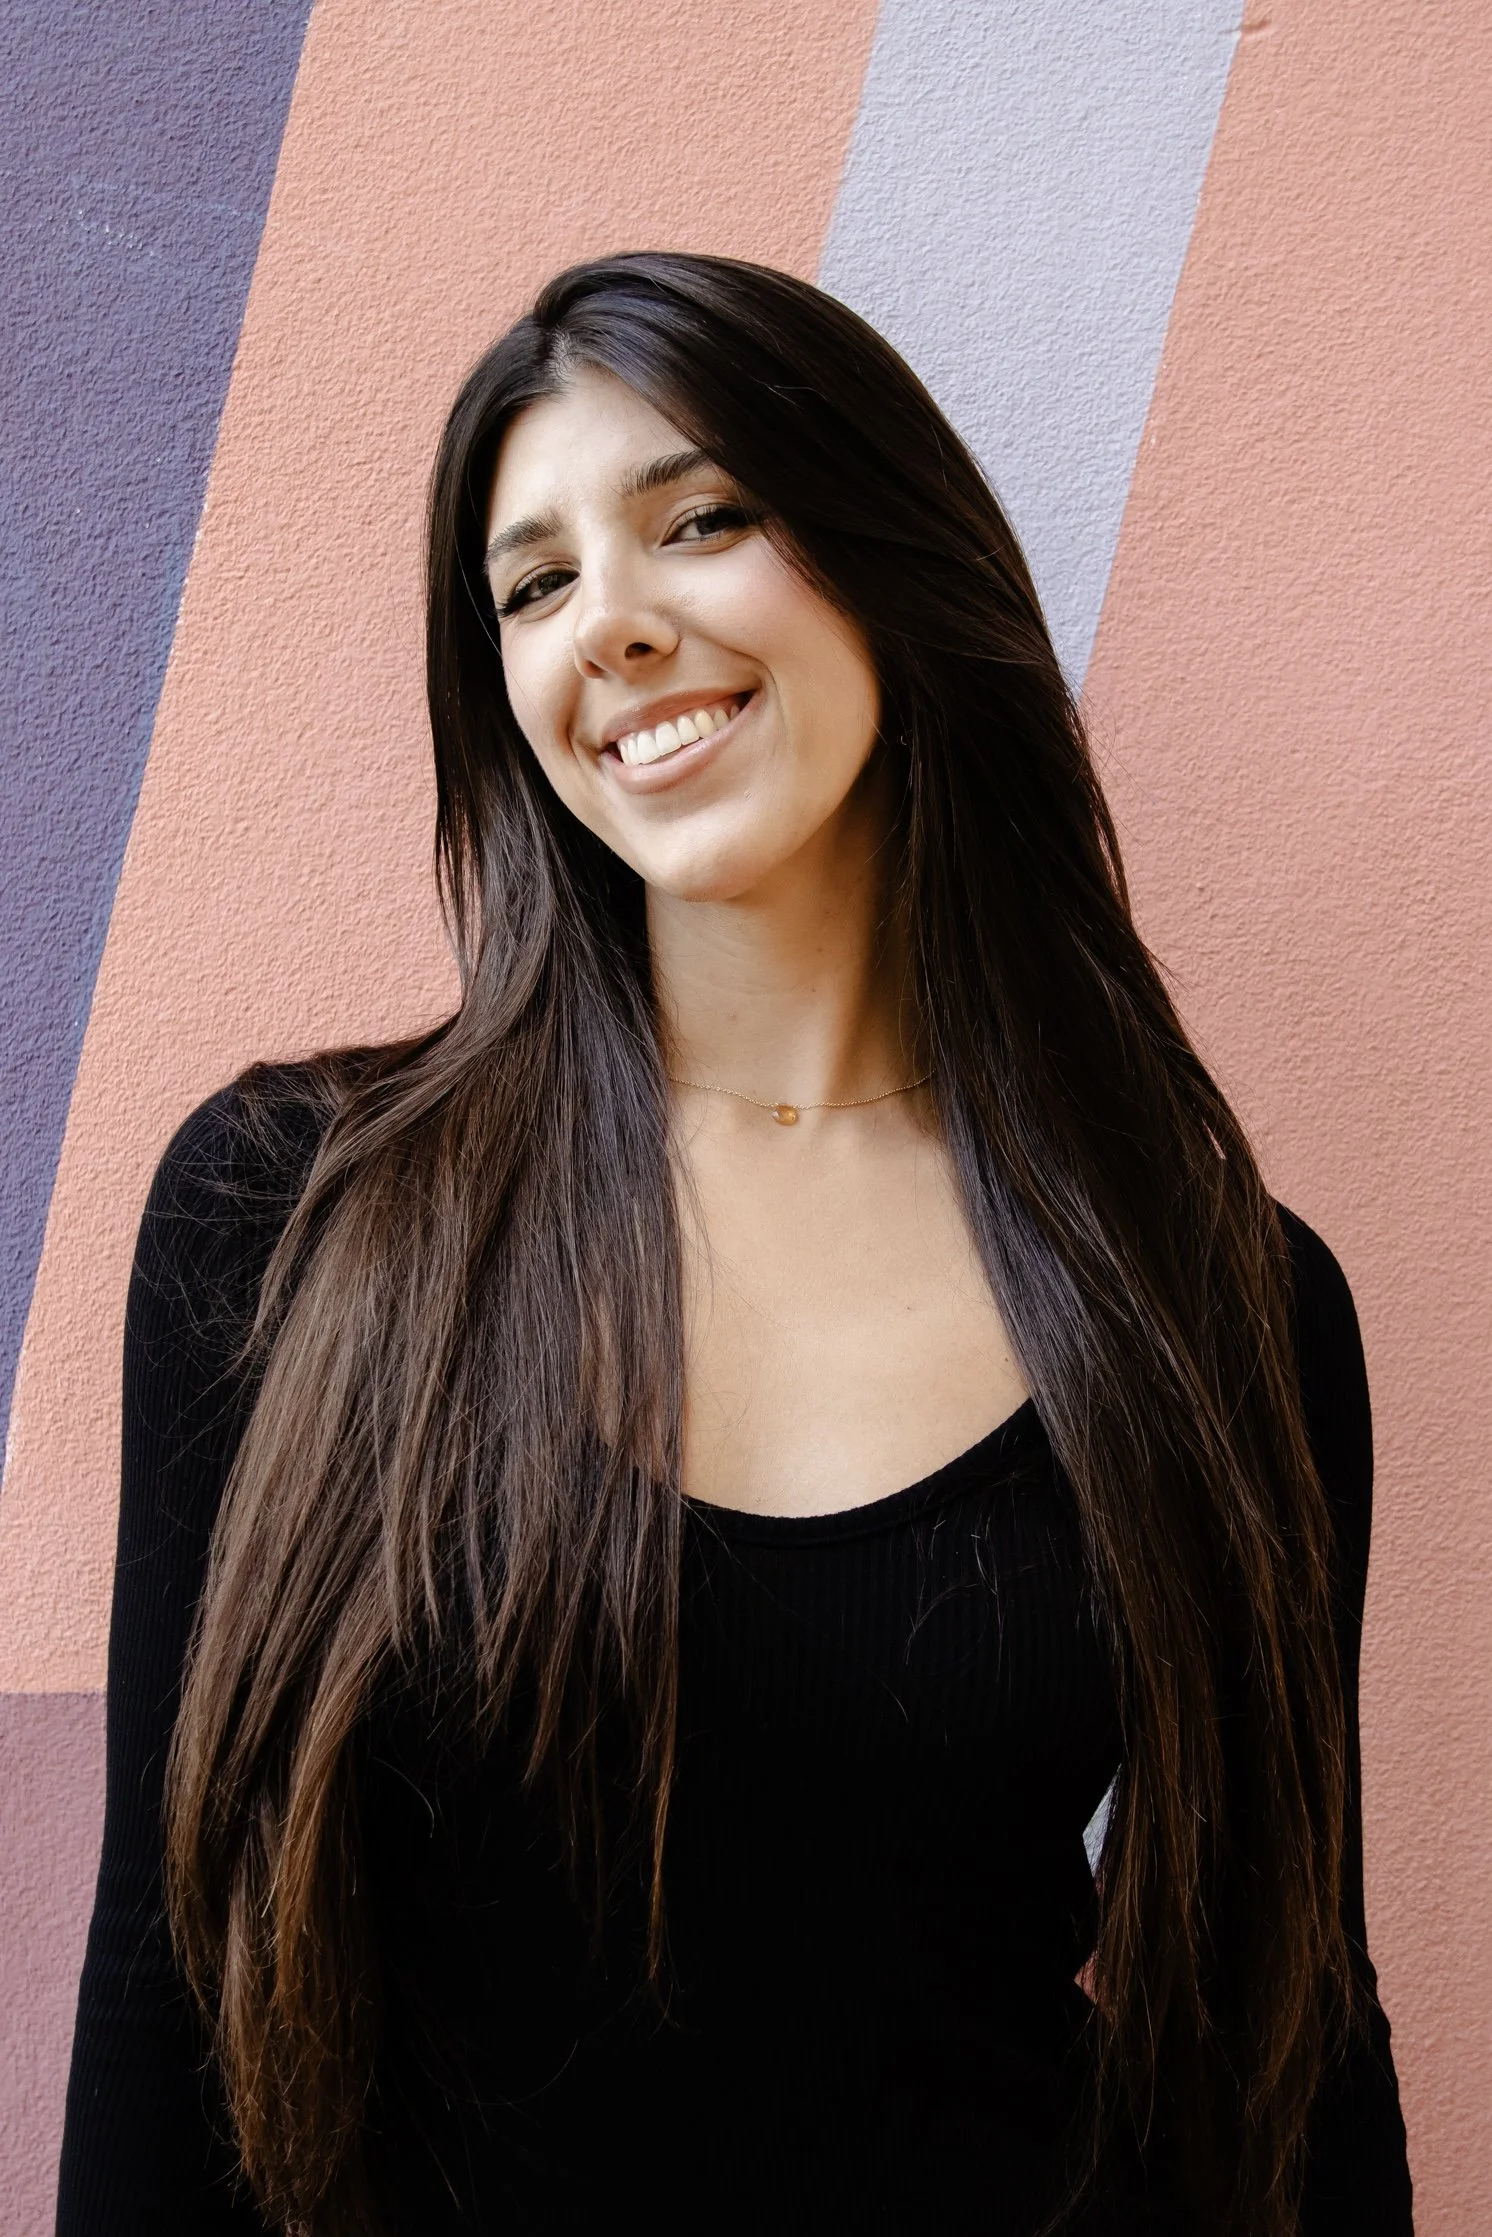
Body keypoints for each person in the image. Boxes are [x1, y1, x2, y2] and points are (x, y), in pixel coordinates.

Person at [57, 253, 1412, 2236]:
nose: (609, 623)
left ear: (890, 558)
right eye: (531, 585)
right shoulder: (290, 1213)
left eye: (698, 520)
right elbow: (163, 1966)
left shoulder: (1218, 1299)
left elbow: (1295, 2024)